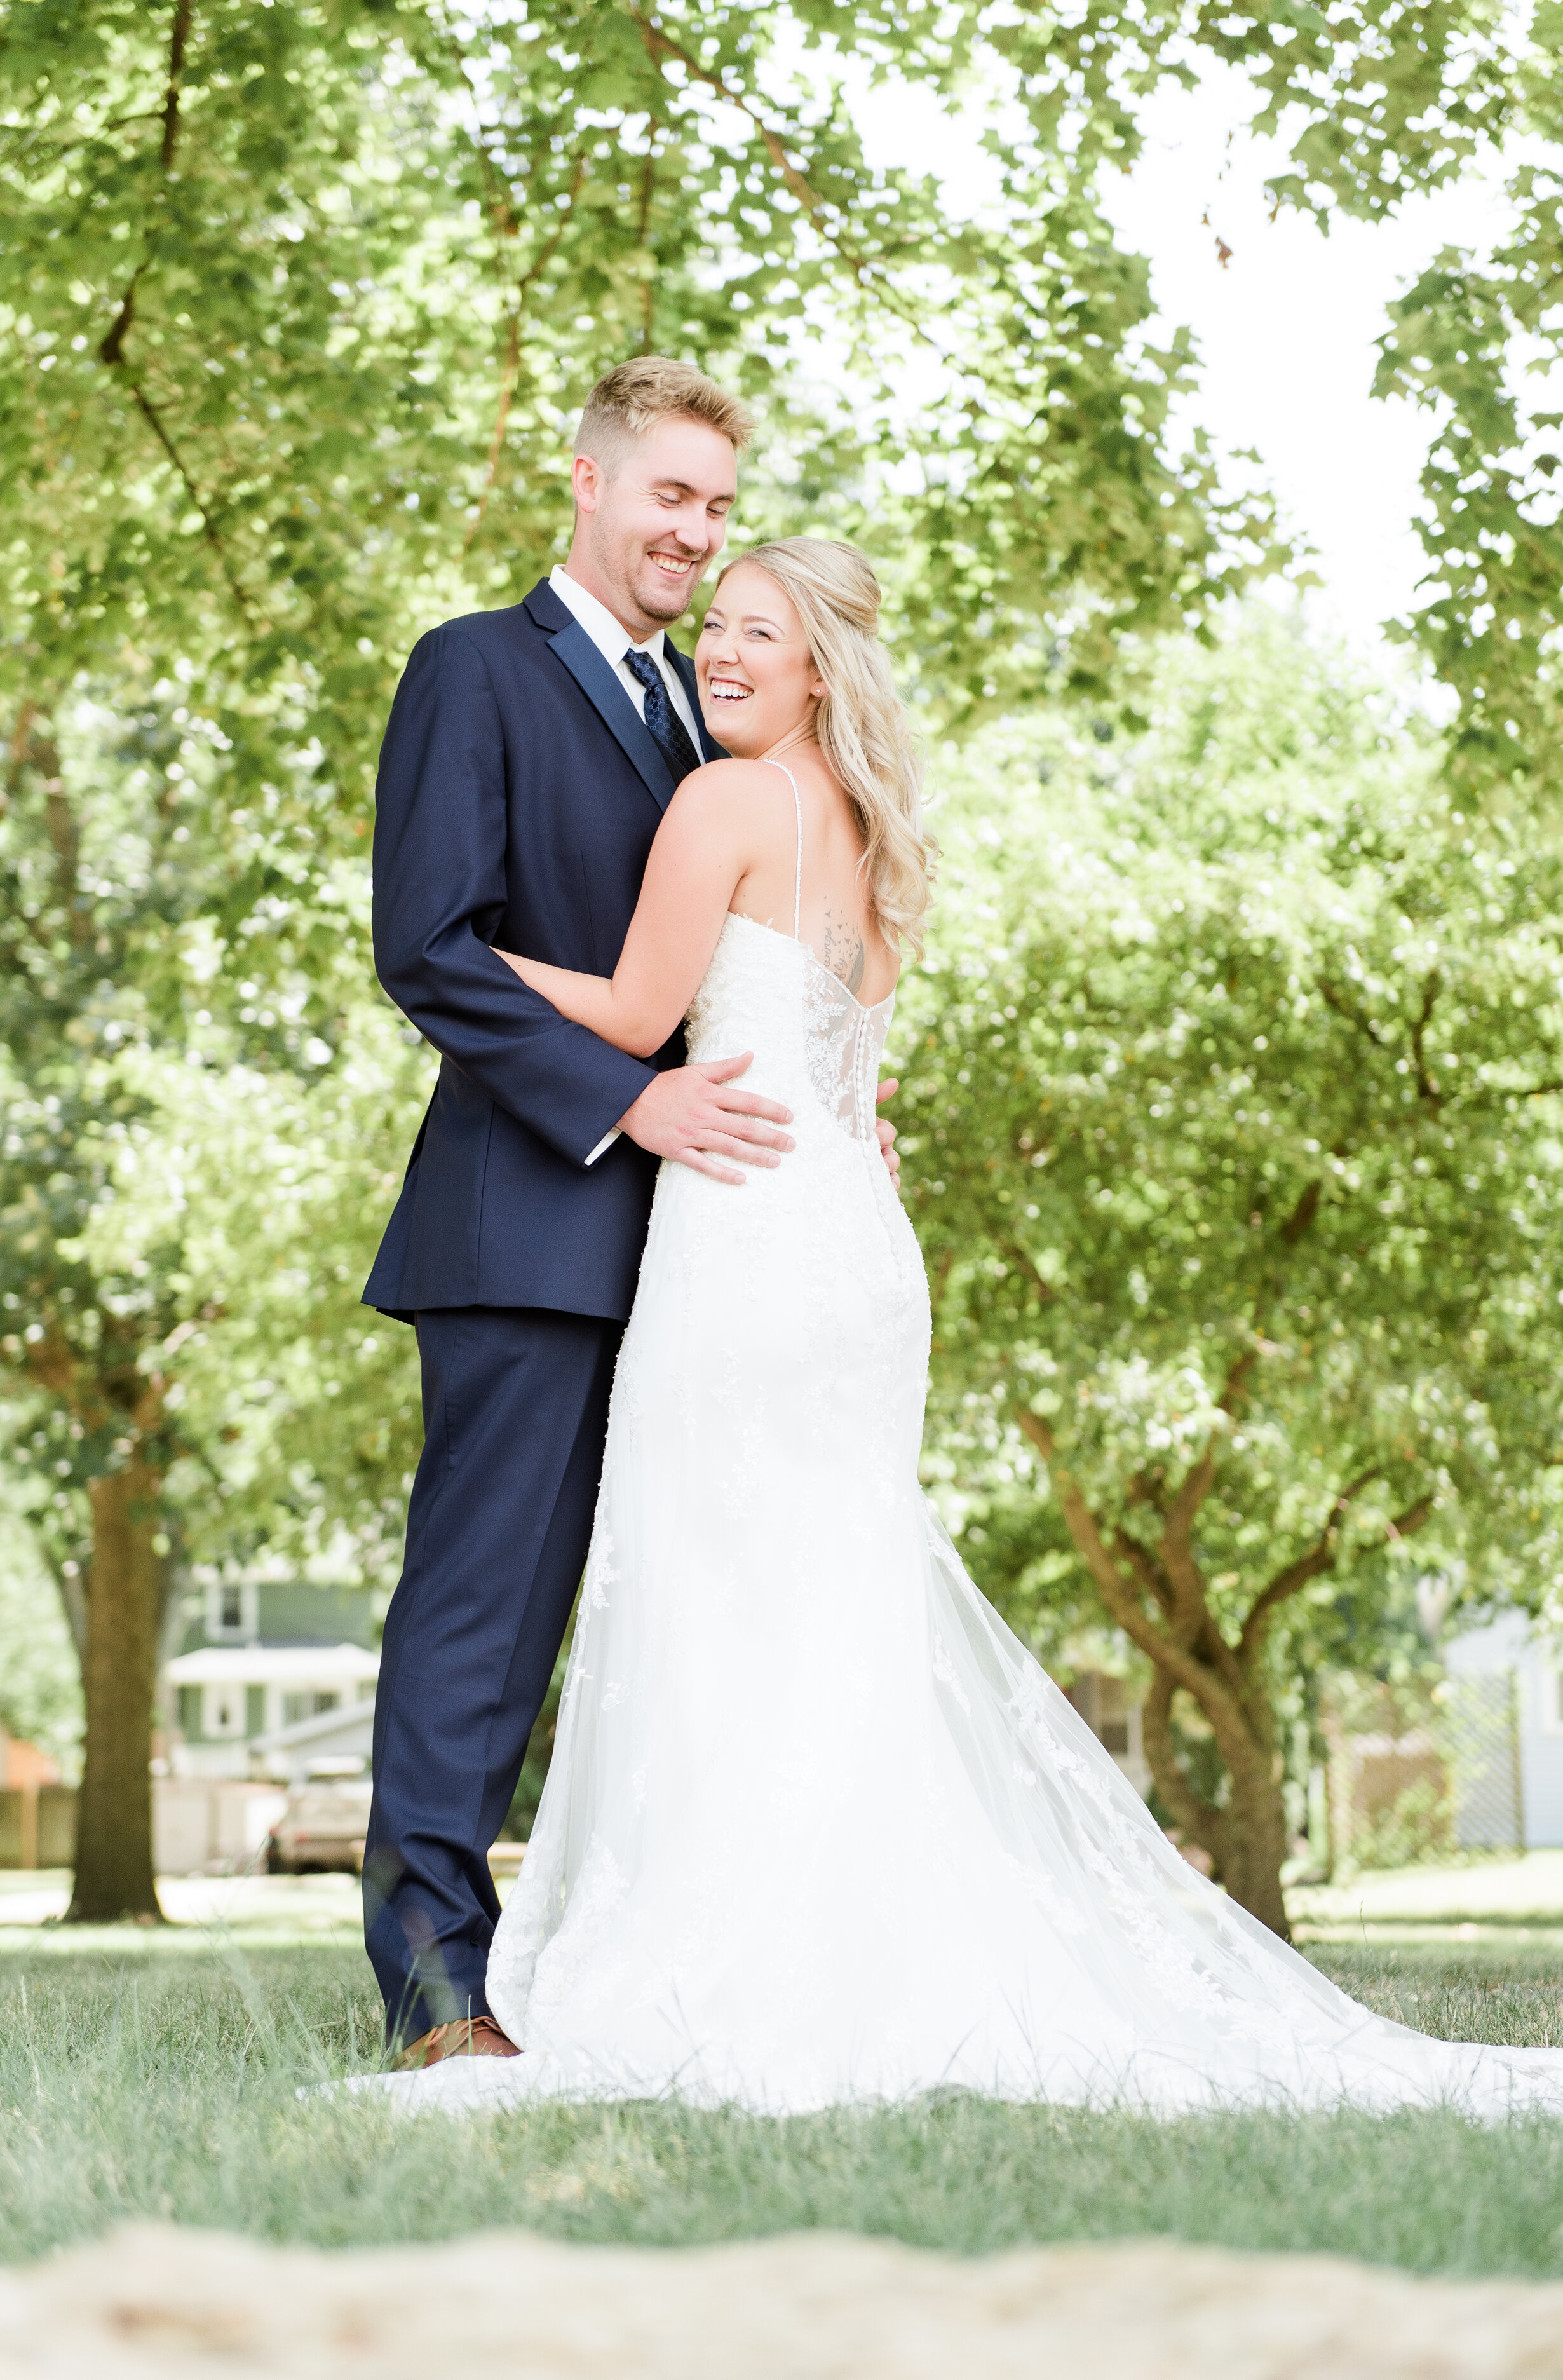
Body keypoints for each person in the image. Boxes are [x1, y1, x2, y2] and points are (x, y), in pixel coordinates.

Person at [370, 535, 1563, 2121]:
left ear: (816, 668)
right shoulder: (878, 835)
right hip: (855, 1254)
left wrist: (472, 955)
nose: (719, 651)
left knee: (725, 1594)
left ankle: (737, 1955)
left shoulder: (722, 803)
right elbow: (852, 1070)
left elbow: (641, 1018)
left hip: (739, 1233)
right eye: (713, 626)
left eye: (753, 633)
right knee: (830, 1596)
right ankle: (860, 1944)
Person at [361, 359, 900, 2065]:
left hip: (713, 1249)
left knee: (711, 1614)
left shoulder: (710, 712)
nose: (695, 535)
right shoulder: (474, 669)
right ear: (586, 487)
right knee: (485, 1611)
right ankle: (440, 1985)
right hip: (529, 1222)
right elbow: (427, 943)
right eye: (669, 496)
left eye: (718, 508)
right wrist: (631, 1100)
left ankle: (698, 1959)